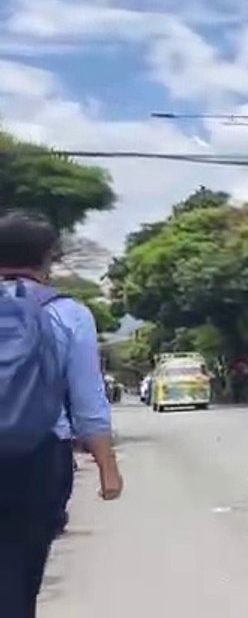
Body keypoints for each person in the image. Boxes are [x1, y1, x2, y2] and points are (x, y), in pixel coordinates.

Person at [0, 212, 123, 618]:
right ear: (47, 257)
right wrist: (107, 467)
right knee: (20, 572)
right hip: (40, 455)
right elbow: (89, 400)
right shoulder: (69, 313)